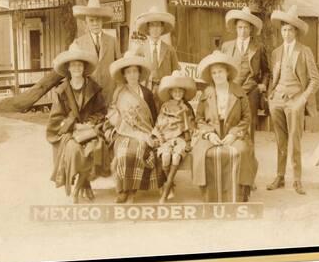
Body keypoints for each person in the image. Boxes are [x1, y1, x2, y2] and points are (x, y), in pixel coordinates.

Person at [266, 5, 319, 195]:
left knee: (294, 141)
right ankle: (280, 176)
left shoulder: (304, 51)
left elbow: (315, 79)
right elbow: (273, 77)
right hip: (277, 101)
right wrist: (270, 96)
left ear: (296, 31)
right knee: (280, 141)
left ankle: (297, 180)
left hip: (295, 100)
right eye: (284, 29)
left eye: (290, 29)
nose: (286, 33)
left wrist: (303, 99)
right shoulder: (276, 52)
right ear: (280, 31)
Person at [192, 51, 257, 202]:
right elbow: (199, 119)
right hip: (212, 132)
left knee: (241, 151)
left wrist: (233, 134)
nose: (217, 75)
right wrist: (209, 134)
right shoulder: (206, 93)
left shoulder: (239, 92)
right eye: (214, 73)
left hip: (234, 131)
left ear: (227, 72)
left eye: (220, 71)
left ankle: (239, 193)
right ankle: (210, 195)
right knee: (204, 153)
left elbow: (247, 117)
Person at [46, 46, 109, 204]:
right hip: (70, 132)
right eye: (73, 65)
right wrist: (73, 126)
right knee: (74, 151)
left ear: (84, 68)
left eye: (79, 65)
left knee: (95, 148)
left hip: (90, 130)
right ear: (68, 68)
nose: (76, 68)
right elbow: (55, 119)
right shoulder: (61, 91)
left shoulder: (94, 88)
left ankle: (78, 189)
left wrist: (89, 123)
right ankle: (84, 185)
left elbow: (102, 111)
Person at [104, 50, 165, 203]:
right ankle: (122, 190)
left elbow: (153, 116)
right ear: (124, 75)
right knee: (123, 152)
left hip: (143, 132)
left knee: (137, 151)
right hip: (123, 132)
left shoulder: (147, 93)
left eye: (135, 72)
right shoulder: (119, 92)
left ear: (139, 74)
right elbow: (112, 111)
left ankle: (132, 190)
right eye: (128, 72)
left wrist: (150, 133)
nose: (132, 75)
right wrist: (123, 121)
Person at [220, 6, 269, 142]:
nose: (243, 31)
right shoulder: (226, 47)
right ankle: (232, 158)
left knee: (249, 125)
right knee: (230, 123)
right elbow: (221, 69)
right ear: (236, 28)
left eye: (246, 27)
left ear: (251, 29)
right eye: (240, 27)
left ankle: (249, 159)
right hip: (231, 91)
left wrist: (262, 85)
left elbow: (266, 71)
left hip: (251, 92)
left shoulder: (258, 48)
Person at [152, 70, 197, 203]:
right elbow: (160, 123)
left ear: (183, 93)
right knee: (165, 157)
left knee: (176, 156)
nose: (177, 94)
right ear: (170, 92)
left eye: (180, 91)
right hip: (167, 138)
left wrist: (189, 138)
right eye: (175, 91)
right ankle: (170, 186)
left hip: (182, 138)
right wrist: (161, 137)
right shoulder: (165, 106)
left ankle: (165, 193)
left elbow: (191, 125)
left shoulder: (186, 107)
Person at [70, 0, 122, 103]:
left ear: (102, 20)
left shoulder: (112, 40)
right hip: (89, 94)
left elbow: (119, 68)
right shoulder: (79, 43)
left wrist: (118, 89)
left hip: (110, 93)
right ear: (86, 22)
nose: (95, 23)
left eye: (98, 20)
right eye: (91, 20)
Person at [134, 5, 180, 108]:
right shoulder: (140, 50)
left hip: (165, 90)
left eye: (158, 25)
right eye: (152, 25)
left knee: (164, 115)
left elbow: (176, 71)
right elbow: (136, 73)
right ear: (148, 28)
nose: (155, 29)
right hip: (147, 89)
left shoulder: (169, 49)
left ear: (162, 28)